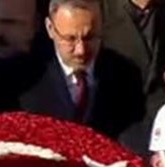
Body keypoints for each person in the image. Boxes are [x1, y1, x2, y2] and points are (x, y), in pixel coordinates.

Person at [19, 0, 145, 139]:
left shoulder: (124, 75)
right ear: (50, 28)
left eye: (89, 37)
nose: (81, 50)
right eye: (70, 39)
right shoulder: (25, 78)